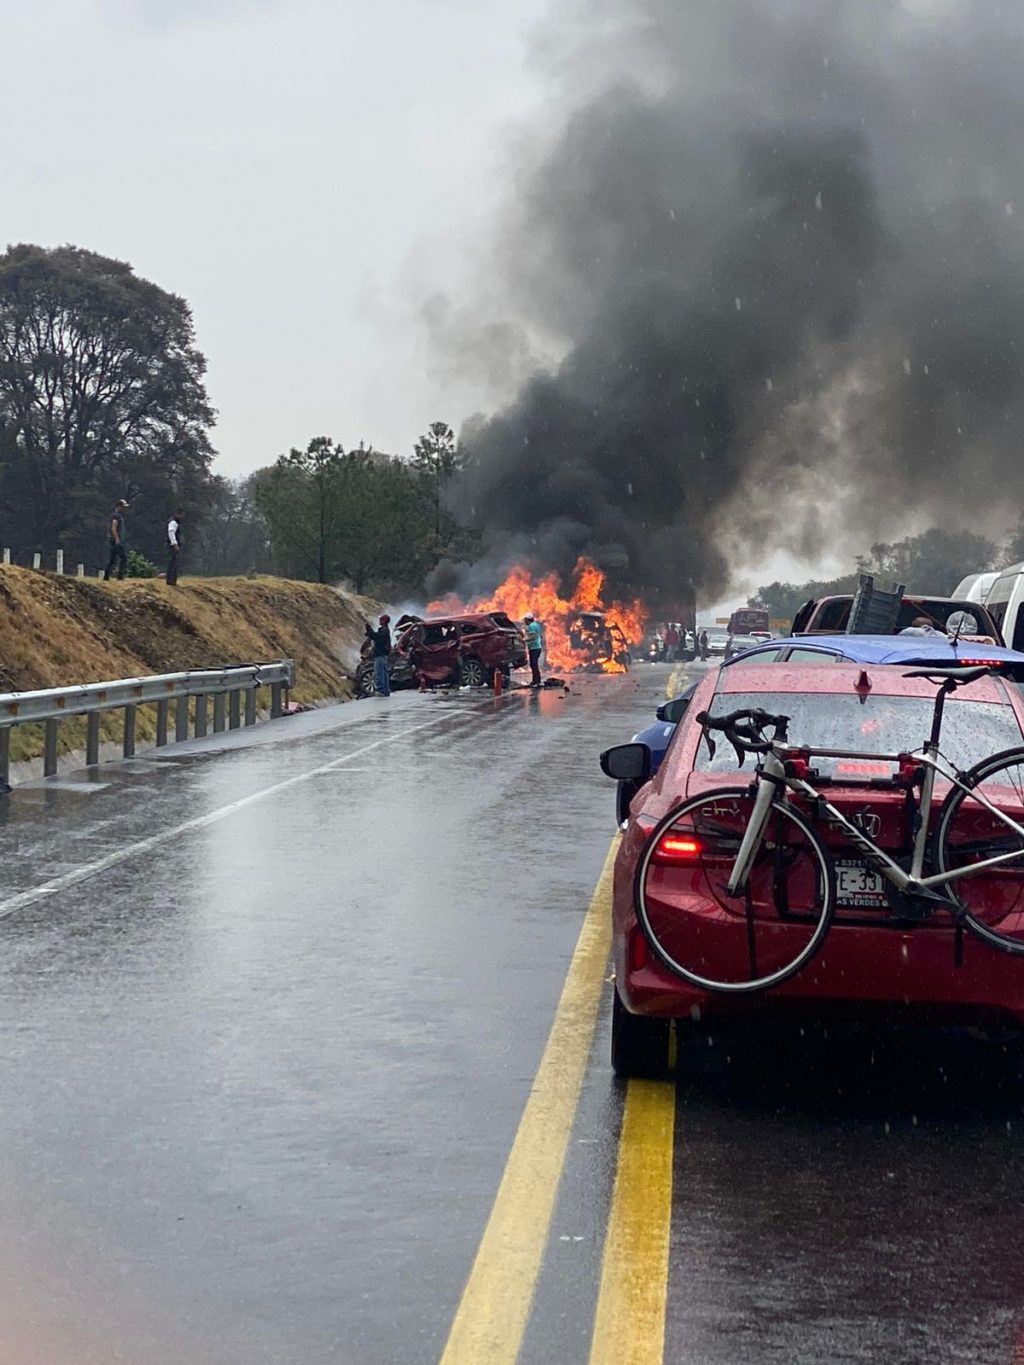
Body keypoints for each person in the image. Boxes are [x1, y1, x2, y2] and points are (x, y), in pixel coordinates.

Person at [365, 614, 392, 696]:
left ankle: (381, 691)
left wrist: (369, 630)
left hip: (380, 655)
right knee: (384, 674)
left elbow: (376, 637)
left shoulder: (384, 630)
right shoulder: (385, 630)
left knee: (379, 673)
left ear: (384, 621)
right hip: (383, 655)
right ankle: (386, 691)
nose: (379, 620)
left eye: (381, 619)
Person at [103, 499, 129, 580]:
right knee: (123, 558)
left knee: (112, 559)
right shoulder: (116, 516)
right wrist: (117, 539)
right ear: (118, 506)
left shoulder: (118, 516)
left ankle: (106, 576)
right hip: (116, 541)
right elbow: (113, 528)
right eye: (123, 507)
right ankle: (120, 576)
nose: (125, 509)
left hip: (114, 540)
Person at [524, 613, 543, 688]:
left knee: (533, 664)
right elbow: (539, 635)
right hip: (537, 647)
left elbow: (533, 636)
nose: (524, 621)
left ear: (527, 620)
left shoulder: (531, 626)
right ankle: (537, 680)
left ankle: (536, 681)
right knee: (534, 664)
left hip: (534, 648)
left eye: (525, 620)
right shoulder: (536, 625)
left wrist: (524, 640)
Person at [166, 511, 183, 586]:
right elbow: (171, 532)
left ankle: (172, 580)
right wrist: (175, 543)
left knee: (174, 563)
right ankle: (171, 581)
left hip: (172, 545)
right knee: (172, 563)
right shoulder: (173, 522)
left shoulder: (175, 522)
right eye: (181, 514)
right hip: (172, 546)